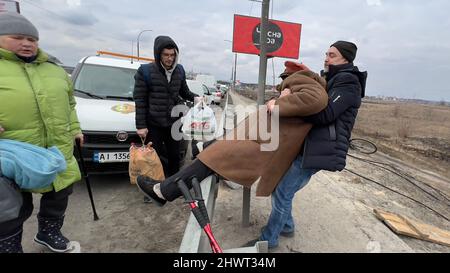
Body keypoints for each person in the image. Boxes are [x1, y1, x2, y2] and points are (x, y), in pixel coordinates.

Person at [136, 60, 329, 210]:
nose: (281, 82)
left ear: (292, 75)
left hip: (266, 144)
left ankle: (163, 192)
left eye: (284, 77)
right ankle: (193, 158)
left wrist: (278, 103)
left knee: (212, 159)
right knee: (216, 152)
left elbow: (316, 99)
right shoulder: (298, 86)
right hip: (263, 140)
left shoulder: (304, 83)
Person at [243, 41, 368, 249]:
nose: (326, 58)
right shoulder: (333, 78)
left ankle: (268, 240)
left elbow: (326, 114)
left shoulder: (348, 82)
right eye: (326, 54)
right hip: (311, 144)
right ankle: (287, 225)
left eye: (332, 55)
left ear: (346, 58)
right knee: (284, 189)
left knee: (283, 191)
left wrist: (285, 105)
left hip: (323, 147)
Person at [0, 12, 83, 253]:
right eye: (17, 37)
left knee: (60, 191)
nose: (27, 43)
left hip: (57, 147)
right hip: (11, 152)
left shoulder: (55, 69)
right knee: (10, 206)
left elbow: (70, 104)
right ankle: (9, 246)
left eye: (32, 39)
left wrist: (76, 129)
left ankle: (49, 232)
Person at [133, 35, 199, 179]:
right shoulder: (145, 72)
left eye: (172, 55)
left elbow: (184, 92)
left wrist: (197, 98)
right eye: (166, 55)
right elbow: (140, 100)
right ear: (158, 54)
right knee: (152, 158)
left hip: (173, 122)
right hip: (153, 123)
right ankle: (151, 187)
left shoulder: (179, 71)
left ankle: (174, 185)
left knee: (175, 156)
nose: (170, 58)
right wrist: (141, 126)